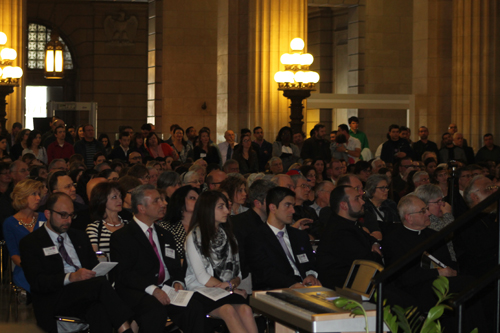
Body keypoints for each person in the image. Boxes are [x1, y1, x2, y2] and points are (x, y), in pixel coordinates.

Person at [20, 193, 134, 333]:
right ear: (48, 214)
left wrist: (95, 271)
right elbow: (37, 282)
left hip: (86, 292)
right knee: (100, 285)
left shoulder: (79, 236)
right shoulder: (31, 242)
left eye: (71, 215)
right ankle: (128, 329)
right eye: (63, 215)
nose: (68, 220)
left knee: (99, 309)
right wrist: (71, 277)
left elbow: (93, 266)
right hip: (55, 296)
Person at [110, 185, 206, 332]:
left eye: (162, 200)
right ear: (141, 208)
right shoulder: (122, 237)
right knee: (154, 311)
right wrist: (153, 290)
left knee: (195, 306)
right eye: (157, 201)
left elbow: (175, 265)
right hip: (139, 290)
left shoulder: (165, 234)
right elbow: (124, 274)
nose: (164, 204)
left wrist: (178, 281)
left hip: (167, 288)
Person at [184, 191, 258, 332]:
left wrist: (232, 285)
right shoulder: (194, 236)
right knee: (228, 310)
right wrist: (230, 288)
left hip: (225, 289)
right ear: (207, 209)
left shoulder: (227, 234)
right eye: (221, 207)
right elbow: (202, 277)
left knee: (246, 310)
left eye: (226, 206)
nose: (226, 211)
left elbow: (238, 272)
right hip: (200, 290)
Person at [246, 186, 321, 290]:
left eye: (293, 206)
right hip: (275, 291)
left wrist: (311, 276)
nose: (293, 211)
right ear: (272, 208)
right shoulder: (256, 237)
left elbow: (310, 263)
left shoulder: (299, 236)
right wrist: (292, 285)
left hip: (304, 288)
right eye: (287, 205)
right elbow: (264, 271)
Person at [316, 185, 383, 289]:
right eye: (357, 199)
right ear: (344, 205)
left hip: (357, 284)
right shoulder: (340, 231)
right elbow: (369, 262)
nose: (363, 202)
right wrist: (376, 253)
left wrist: (375, 243)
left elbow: (370, 239)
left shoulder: (346, 224)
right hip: (345, 291)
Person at [3, 179, 46, 293]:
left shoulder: (44, 217)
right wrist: (31, 266)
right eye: (34, 194)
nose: (38, 198)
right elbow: (14, 255)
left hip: (48, 265)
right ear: (22, 196)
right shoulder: (10, 223)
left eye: (39, 194)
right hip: (25, 268)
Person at [231, 179, 277, 284]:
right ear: (257, 203)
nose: (276, 204)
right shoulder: (239, 224)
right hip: (247, 279)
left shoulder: (274, 222)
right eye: (272, 200)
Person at [414, 184, 456, 261]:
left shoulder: (439, 218)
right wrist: (447, 214)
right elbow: (446, 234)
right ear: (425, 205)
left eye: (442, 200)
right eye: (438, 202)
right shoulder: (426, 222)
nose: (442, 204)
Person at [86, 182, 128, 258]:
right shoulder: (94, 228)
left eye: (120, 196)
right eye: (114, 197)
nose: (120, 201)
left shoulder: (128, 225)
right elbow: (93, 257)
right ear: (102, 200)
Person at [158, 185, 200, 261]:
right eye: (192, 198)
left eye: (199, 199)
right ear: (180, 201)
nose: (198, 202)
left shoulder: (203, 226)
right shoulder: (165, 227)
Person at [362, 174, 400, 239]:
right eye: (382, 188)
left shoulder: (391, 205)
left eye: (387, 187)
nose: (386, 190)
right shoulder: (364, 207)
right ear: (372, 189)